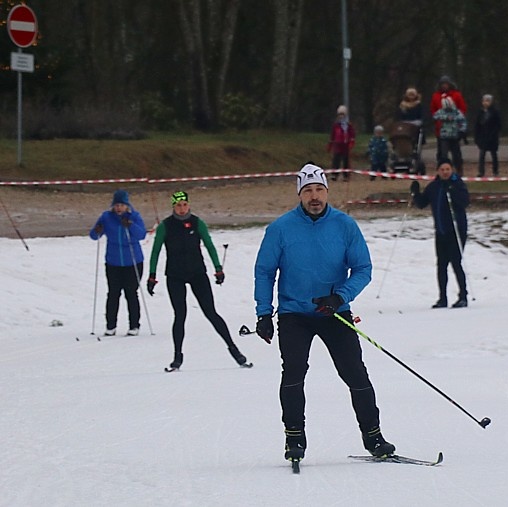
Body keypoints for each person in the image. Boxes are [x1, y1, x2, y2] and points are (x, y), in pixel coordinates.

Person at [253, 162, 395, 464]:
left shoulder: (345, 225)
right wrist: (264, 313)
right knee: (293, 372)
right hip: (294, 313)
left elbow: (363, 268)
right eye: (307, 191)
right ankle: (294, 438)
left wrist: (339, 296)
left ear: (327, 191)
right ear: (300, 194)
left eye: (319, 189)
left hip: (334, 311)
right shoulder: (280, 228)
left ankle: (374, 436)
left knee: (355, 372)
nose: (314, 196)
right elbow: (265, 272)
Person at [147, 191, 248, 371]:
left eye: (185, 204)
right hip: (175, 275)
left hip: (197, 273)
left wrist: (218, 268)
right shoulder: (166, 226)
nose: (182, 208)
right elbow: (155, 251)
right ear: (173, 207)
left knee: (211, 313)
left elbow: (209, 245)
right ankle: (177, 358)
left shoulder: (196, 222)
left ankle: (235, 352)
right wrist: (152, 275)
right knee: (180, 315)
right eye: (178, 205)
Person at [410, 158, 470, 308]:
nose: (445, 172)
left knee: (456, 263)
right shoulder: (434, 187)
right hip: (441, 231)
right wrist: (415, 193)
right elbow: (422, 203)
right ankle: (442, 298)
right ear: (438, 171)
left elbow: (464, 202)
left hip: (456, 231)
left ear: (452, 170)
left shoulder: (458, 184)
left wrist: (452, 190)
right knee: (441, 265)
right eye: (442, 170)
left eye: (447, 169)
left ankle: (463, 296)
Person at [89, 189, 147, 336]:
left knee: (131, 293)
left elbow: (141, 235)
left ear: (127, 205)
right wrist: (97, 230)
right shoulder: (106, 217)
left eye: (122, 205)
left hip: (133, 261)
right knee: (113, 293)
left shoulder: (134, 216)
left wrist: (131, 225)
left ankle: (134, 325)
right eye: (116, 205)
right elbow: (94, 236)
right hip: (113, 262)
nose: (119, 208)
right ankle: (110, 326)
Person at [430, 75, 467, 164]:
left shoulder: (456, 95)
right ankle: (442, 167)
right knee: (442, 152)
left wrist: (456, 119)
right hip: (441, 128)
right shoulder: (435, 96)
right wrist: (442, 118)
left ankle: (458, 168)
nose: (444, 86)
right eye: (442, 84)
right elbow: (433, 110)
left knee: (456, 151)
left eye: (446, 84)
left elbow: (463, 108)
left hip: (455, 128)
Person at [433, 97, 467, 175]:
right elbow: (435, 117)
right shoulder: (441, 112)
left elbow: (463, 120)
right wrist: (445, 118)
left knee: (457, 155)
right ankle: (442, 170)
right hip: (444, 137)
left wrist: (462, 131)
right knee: (443, 155)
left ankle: (459, 170)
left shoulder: (456, 112)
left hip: (455, 136)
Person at [474, 94, 502, 176]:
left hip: (492, 137)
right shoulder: (480, 112)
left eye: (488, 101)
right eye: (484, 101)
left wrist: (494, 134)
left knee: (494, 154)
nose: (485, 103)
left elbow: (498, 124)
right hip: (483, 137)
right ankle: (481, 171)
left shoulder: (495, 112)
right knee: (482, 154)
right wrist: (477, 136)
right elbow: (477, 125)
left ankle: (495, 171)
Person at [327, 105, 355, 182]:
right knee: (336, 160)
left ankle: (346, 176)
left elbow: (352, 134)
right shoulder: (336, 125)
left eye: (343, 115)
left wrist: (351, 142)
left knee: (346, 160)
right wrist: (330, 144)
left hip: (345, 144)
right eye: (340, 115)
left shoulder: (348, 125)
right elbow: (332, 135)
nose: (341, 116)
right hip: (337, 144)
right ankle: (334, 175)